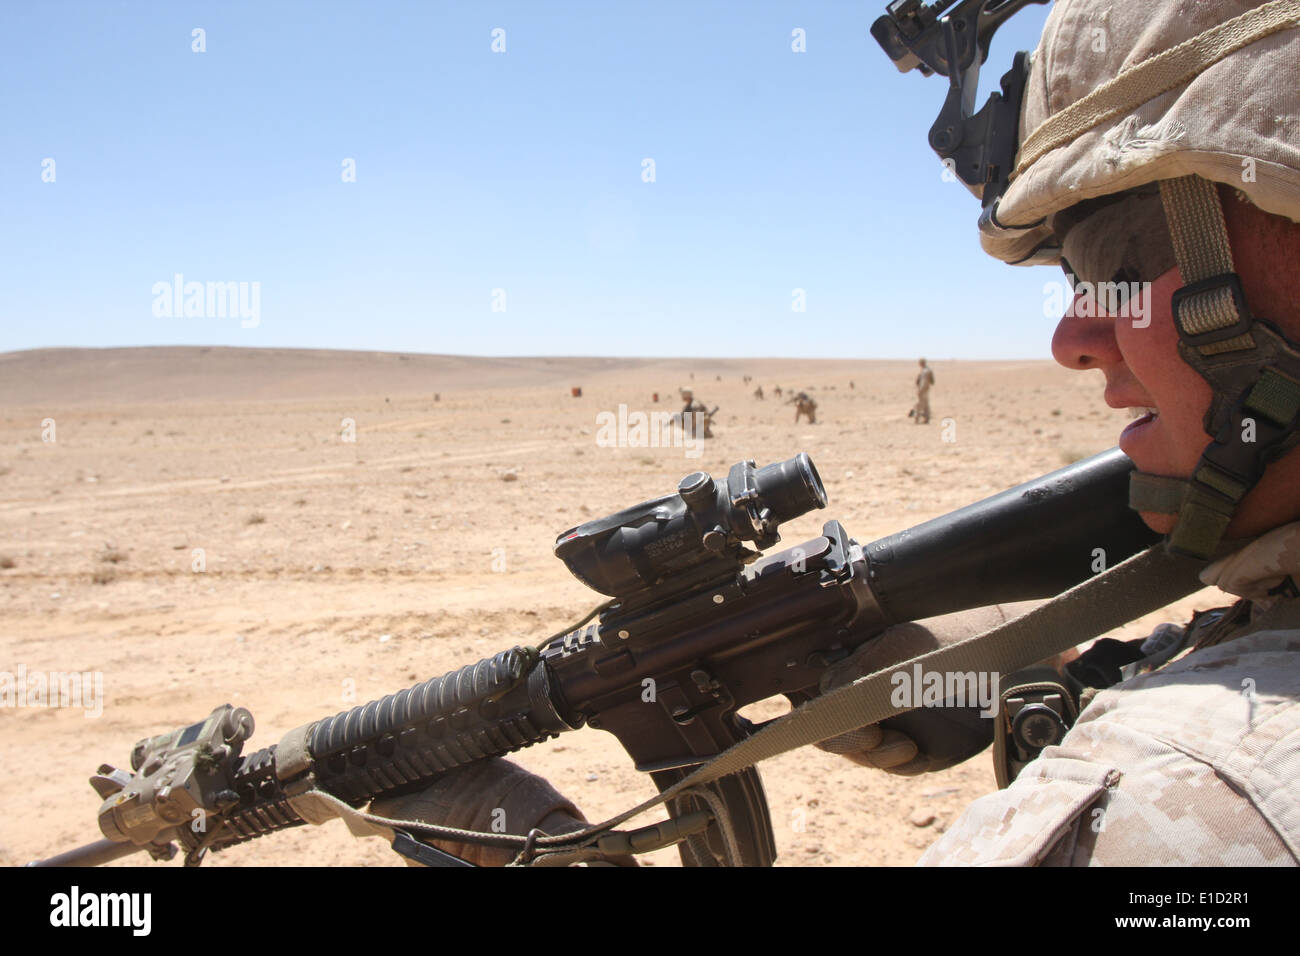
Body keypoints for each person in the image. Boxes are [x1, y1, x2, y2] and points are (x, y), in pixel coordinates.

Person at [374, 0, 1300, 866]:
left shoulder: (1179, 801)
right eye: (1072, 271)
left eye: (1119, 257)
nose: (1072, 339)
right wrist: (1017, 650)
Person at [912, 359, 934, 424]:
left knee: (919, 404)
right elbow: (932, 381)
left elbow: (920, 382)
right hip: (926, 389)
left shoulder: (924, 371)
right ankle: (927, 419)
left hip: (922, 390)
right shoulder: (928, 370)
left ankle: (917, 419)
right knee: (926, 404)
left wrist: (920, 390)